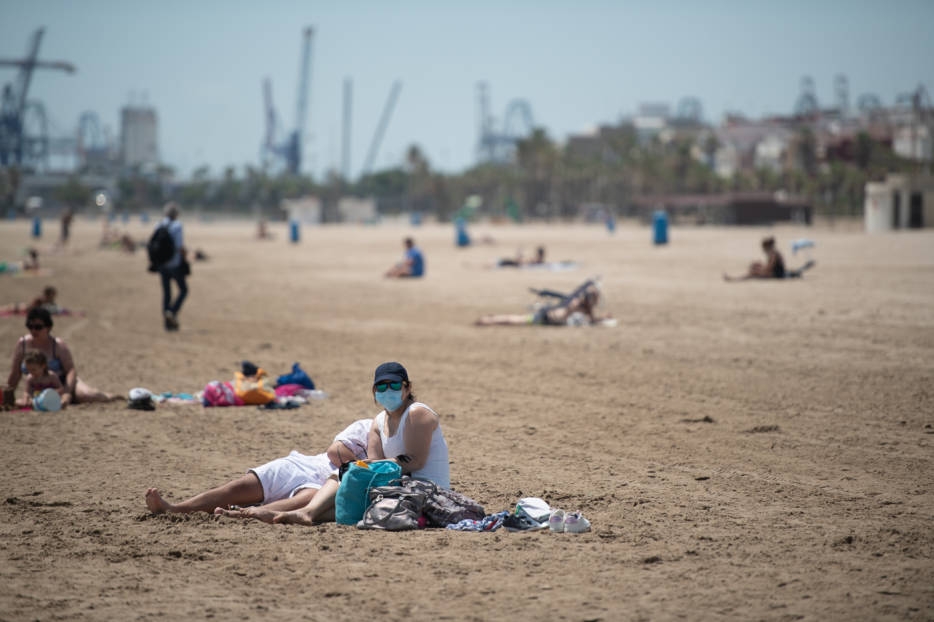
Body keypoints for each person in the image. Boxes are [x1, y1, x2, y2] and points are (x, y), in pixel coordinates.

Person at [216, 361, 450, 525]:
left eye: (395, 385)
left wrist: (363, 468)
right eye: (382, 386)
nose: (388, 391)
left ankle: (288, 512)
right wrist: (357, 470)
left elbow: (415, 461)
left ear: (408, 387)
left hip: (425, 490)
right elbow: (377, 465)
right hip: (397, 487)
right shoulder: (378, 422)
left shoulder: (417, 413)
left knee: (352, 476)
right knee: (345, 478)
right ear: (374, 391)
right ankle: (271, 513)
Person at [144, 418, 372, 515]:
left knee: (300, 502)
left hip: (328, 485)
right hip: (306, 465)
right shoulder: (368, 425)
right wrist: (365, 465)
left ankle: (243, 514)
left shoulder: (403, 448)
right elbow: (335, 451)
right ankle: (174, 508)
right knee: (238, 487)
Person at [4, 307, 117, 407]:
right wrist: (6, 395)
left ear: (48, 327)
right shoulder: (22, 344)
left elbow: (71, 370)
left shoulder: (57, 345)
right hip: (39, 388)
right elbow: (15, 373)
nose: (33, 330)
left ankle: (112, 396)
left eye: (38, 327)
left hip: (63, 383)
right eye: (30, 326)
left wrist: (67, 393)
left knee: (87, 396)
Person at [475, 279, 613, 326]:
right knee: (515, 320)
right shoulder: (577, 305)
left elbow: (591, 319)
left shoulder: (580, 305)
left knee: (516, 319)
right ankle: (488, 320)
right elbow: (564, 315)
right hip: (544, 319)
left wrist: (602, 319)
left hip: (546, 317)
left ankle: (492, 318)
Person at [154, 202, 188, 330]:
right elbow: (179, 246)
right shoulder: (177, 225)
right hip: (174, 263)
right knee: (184, 290)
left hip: (162, 264)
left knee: (166, 292)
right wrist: (185, 259)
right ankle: (172, 312)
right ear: (176, 214)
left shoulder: (159, 224)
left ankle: (167, 323)